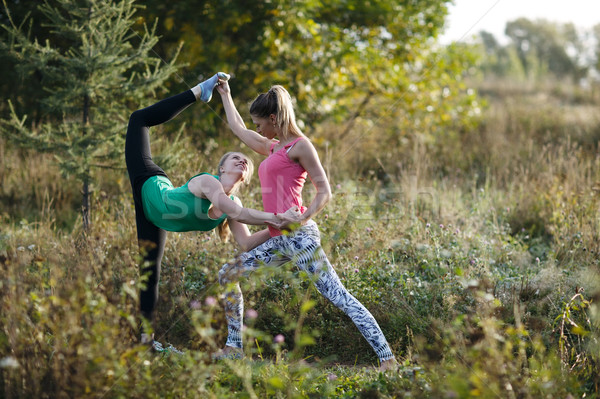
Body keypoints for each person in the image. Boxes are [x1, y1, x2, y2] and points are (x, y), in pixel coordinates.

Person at [214, 80, 397, 370]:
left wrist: (303, 216)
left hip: (299, 237)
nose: (257, 129)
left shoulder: (300, 147)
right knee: (228, 273)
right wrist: (225, 94)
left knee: (338, 296)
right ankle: (234, 347)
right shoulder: (273, 147)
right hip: (279, 240)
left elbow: (324, 191)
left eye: (260, 124)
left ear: (273, 119)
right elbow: (238, 128)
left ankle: (387, 359)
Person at [125, 72, 296, 352]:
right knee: (138, 119)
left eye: (245, 160)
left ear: (245, 177)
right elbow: (232, 209)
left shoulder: (235, 207)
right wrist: (275, 217)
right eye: (234, 157)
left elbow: (246, 243)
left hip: (154, 217)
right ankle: (197, 92)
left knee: (149, 271)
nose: (241, 158)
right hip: (149, 184)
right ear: (222, 169)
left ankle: (145, 343)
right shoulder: (208, 182)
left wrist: (278, 228)